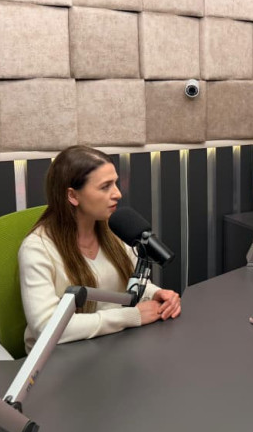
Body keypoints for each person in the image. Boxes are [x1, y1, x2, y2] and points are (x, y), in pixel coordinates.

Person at [18, 145, 182, 352]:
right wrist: (131, 316)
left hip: (111, 346)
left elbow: (130, 286)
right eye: (105, 187)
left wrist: (156, 294)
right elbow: (47, 328)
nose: (118, 194)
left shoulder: (114, 232)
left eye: (115, 183)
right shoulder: (37, 249)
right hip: (59, 358)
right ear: (73, 196)